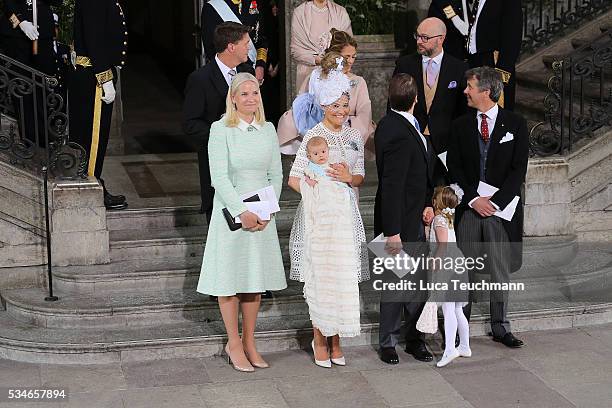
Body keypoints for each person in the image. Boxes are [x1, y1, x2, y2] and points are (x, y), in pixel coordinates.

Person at [196, 72, 287, 372]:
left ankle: (249, 341)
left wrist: (267, 211)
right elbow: (218, 178)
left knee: (253, 283)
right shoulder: (220, 129)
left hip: (262, 217)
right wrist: (242, 212)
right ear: (233, 97)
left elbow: (276, 174)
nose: (250, 98)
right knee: (230, 281)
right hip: (231, 216)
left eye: (255, 93)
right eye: (244, 93)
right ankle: (233, 343)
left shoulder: (268, 129)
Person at [287, 61, 368, 368]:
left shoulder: (353, 137)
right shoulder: (313, 136)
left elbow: (359, 176)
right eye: (336, 105)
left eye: (345, 105)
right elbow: (295, 179)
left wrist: (349, 177)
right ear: (323, 105)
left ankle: (337, 340)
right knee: (321, 279)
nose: (341, 111)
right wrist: (317, 188)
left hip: (345, 219)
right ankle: (320, 338)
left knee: (342, 277)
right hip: (318, 221)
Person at [447, 66, 529, 348]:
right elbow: (454, 167)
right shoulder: (460, 125)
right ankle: (461, 326)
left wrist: (494, 203)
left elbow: (518, 170)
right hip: (470, 209)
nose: (465, 91)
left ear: (486, 91)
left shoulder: (516, 124)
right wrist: (473, 199)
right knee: (465, 268)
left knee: (499, 269)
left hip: (500, 212)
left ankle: (501, 327)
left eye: (470, 86)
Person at [374, 73, 435, 365]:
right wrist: (393, 232)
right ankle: (389, 343)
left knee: (415, 286)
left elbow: (417, 175)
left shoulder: (396, 124)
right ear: (415, 100)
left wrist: (427, 203)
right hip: (401, 224)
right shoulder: (397, 131)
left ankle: (413, 339)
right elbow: (392, 186)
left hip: (414, 217)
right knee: (396, 286)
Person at [183, 22, 253, 222]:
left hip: (248, 167)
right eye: (245, 43)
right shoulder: (200, 79)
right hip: (218, 164)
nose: (249, 47)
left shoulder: (246, 73)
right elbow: (191, 124)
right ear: (231, 47)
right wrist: (223, 136)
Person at [393, 17, 468, 185]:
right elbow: (394, 105)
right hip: (412, 139)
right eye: (417, 36)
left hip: (445, 144)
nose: (419, 41)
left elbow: (464, 111)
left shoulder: (459, 68)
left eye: (425, 38)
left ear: (441, 39)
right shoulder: (404, 65)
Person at [69, 0, 128, 210]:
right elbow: (95, 40)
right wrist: (105, 78)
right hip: (95, 76)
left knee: (96, 138)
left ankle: (94, 183)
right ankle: (90, 189)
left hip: (95, 73)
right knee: (93, 138)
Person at [279, 29, 374, 157]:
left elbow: (364, 114)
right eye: (347, 57)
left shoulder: (358, 82)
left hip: (347, 136)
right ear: (334, 56)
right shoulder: (315, 77)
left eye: (353, 57)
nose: (351, 61)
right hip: (316, 137)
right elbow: (300, 108)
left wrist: (347, 133)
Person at [425, 185, 471, 367]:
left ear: (437, 201)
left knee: (448, 308)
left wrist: (435, 262)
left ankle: (450, 349)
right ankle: (465, 345)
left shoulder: (439, 220)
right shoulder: (448, 219)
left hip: (447, 266)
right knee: (458, 308)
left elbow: (442, 245)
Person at [464, 0, 523, 110]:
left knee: (495, 111)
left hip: (494, 62)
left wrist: (501, 77)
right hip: (475, 62)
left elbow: (512, 39)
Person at [201, 0, 268, 84]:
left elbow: (262, 39)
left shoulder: (255, 3)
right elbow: (211, 48)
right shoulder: (212, 7)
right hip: (228, 76)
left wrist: (260, 66)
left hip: (254, 73)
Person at [290, 0, 352, 90]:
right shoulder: (300, 13)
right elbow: (296, 50)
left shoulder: (340, 12)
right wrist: (318, 60)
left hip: (336, 74)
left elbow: (349, 46)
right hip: (307, 74)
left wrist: (333, 61)